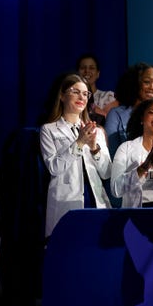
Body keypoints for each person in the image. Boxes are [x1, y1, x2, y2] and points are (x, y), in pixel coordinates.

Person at [40, 73, 112, 238]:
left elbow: (107, 172)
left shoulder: (97, 131)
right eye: (75, 92)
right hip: (67, 202)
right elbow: (54, 168)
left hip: (95, 201)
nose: (82, 97)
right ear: (62, 95)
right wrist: (79, 143)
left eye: (85, 93)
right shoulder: (49, 130)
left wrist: (94, 147)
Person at [105, 62, 153, 157]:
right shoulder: (116, 114)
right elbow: (112, 153)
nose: (152, 87)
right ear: (135, 83)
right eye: (147, 82)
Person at [76, 53, 118, 125]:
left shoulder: (108, 96)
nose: (87, 71)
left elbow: (112, 121)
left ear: (98, 73)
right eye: (83, 68)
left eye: (91, 68)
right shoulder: (72, 97)